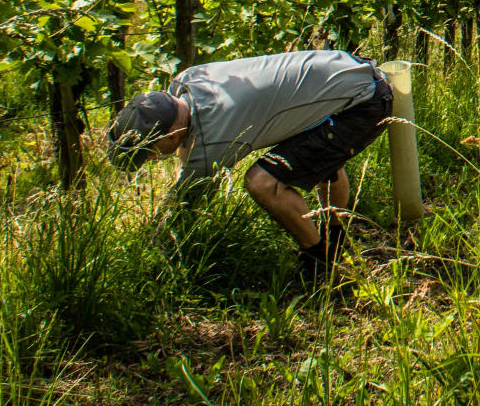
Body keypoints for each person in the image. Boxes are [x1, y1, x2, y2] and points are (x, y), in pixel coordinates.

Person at [107, 49, 391, 284]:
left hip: (363, 103)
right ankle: (334, 241)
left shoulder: (214, 136)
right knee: (319, 159)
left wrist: (152, 242)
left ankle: (320, 267)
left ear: (170, 135)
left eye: (152, 153)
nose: (154, 159)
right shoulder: (188, 81)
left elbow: (185, 203)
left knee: (262, 182)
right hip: (348, 72)